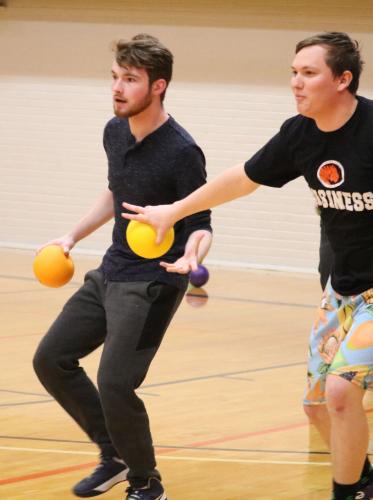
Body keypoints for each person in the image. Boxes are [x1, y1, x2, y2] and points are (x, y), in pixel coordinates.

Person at [120, 32, 373, 500]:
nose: (296, 83)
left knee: (341, 392)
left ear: (343, 80)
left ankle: (347, 494)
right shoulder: (299, 134)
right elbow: (241, 179)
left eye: (309, 73)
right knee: (318, 405)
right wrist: (172, 211)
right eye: (294, 73)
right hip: (344, 287)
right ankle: (368, 483)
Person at [33, 34, 212, 500]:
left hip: (153, 283)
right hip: (110, 271)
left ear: (158, 86)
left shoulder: (182, 151)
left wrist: (194, 253)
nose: (117, 88)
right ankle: (113, 455)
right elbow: (116, 193)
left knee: (115, 382)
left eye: (130, 80)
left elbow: (201, 222)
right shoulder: (114, 131)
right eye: (115, 77)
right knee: (51, 359)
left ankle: (146, 481)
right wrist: (72, 236)